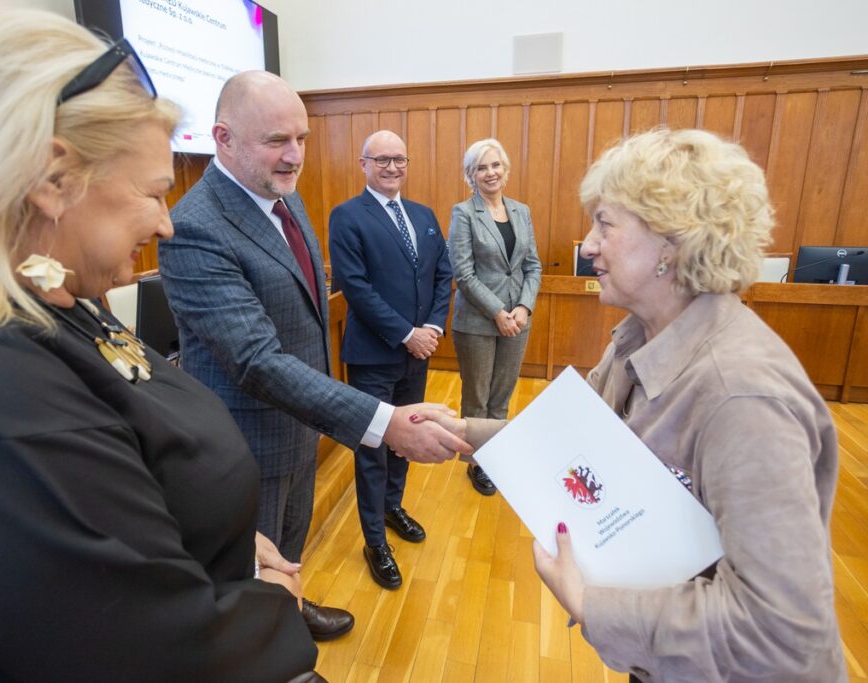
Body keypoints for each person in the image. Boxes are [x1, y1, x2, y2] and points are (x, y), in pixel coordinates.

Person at [0, 12, 325, 681]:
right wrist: (268, 601)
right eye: (155, 192)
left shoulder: (43, 295)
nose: (165, 222)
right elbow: (154, 652)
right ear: (52, 181)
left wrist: (231, 549)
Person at [423, 128, 845, 682]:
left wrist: (592, 605)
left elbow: (784, 635)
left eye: (605, 223)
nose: (588, 244)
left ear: (671, 243)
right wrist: (459, 430)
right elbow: (565, 442)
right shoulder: (635, 338)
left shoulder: (742, 396)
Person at [159, 71, 469, 618]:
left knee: (292, 558)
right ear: (223, 138)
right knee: (253, 578)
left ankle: (294, 616)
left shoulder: (285, 199)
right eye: (276, 140)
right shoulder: (196, 226)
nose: (294, 155)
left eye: (301, 138)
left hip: (304, 426)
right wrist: (385, 422)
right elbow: (255, 360)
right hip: (248, 442)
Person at [328, 130, 453, 590]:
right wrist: (406, 334)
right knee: (373, 448)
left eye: (399, 159)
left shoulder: (422, 215)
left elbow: (443, 273)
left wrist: (434, 328)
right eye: (382, 160)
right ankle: (374, 539)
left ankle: (393, 505)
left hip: (419, 352)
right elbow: (355, 287)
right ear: (364, 163)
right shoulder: (346, 216)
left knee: (408, 438)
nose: (392, 167)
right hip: (374, 355)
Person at [448, 138, 541, 496]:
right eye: (481, 167)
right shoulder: (464, 212)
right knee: (477, 399)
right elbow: (464, 274)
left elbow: (532, 264)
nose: (490, 173)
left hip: (518, 319)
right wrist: (498, 312)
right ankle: (477, 463)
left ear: (506, 169)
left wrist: (523, 307)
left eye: (495, 165)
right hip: (477, 322)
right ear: (471, 176)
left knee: (502, 395)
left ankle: (495, 456)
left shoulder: (522, 211)